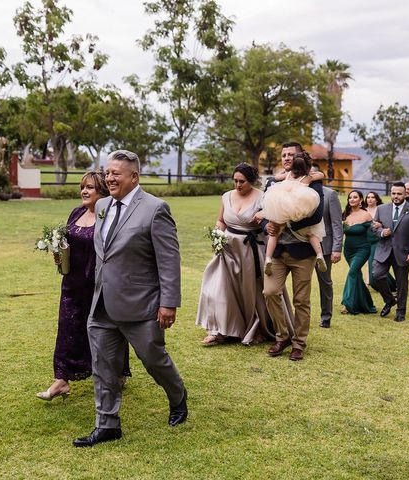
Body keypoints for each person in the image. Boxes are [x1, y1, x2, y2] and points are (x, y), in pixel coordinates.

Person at [73, 150, 187, 448]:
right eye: (107, 172)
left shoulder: (155, 209)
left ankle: (177, 396)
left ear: (133, 177)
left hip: (142, 304)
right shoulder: (102, 207)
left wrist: (168, 303)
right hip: (102, 305)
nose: (109, 178)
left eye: (116, 174)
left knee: (154, 360)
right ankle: (107, 425)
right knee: (103, 366)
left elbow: (169, 260)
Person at [36, 172, 131, 401]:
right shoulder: (76, 212)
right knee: (68, 329)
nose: (84, 191)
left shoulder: (108, 216)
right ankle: (61, 380)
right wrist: (59, 255)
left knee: (107, 331)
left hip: (98, 285)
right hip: (72, 284)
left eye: (90, 187)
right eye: (82, 187)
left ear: (102, 192)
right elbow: (68, 244)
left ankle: (117, 372)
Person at [196, 163, 292, 344]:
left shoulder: (263, 197)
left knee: (252, 292)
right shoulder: (226, 196)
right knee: (220, 287)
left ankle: (257, 328)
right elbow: (220, 220)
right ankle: (220, 330)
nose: (238, 185)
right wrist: (217, 235)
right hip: (227, 248)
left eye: (242, 182)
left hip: (252, 249)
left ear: (252, 181)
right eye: (235, 181)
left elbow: (270, 223)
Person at [262, 142, 324, 361]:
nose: (287, 158)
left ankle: (299, 343)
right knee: (269, 292)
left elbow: (316, 216)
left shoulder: (312, 181)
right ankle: (282, 336)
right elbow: (265, 209)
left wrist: (285, 220)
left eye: (291, 155)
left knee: (301, 300)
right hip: (277, 250)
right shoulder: (273, 182)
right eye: (284, 155)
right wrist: (268, 226)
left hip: (302, 251)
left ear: (299, 158)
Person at [263, 154, 327, 275]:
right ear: (307, 167)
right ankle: (319, 254)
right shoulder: (307, 177)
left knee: (274, 233)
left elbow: (276, 177)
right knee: (311, 233)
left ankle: (268, 258)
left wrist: (285, 171)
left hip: (283, 205)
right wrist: (312, 172)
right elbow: (321, 175)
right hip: (298, 206)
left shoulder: (287, 175)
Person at [371, 182, 409, 322]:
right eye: (393, 193)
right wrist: (382, 232)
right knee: (376, 275)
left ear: (405, 194)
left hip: (403, 253)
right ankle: (389, 300)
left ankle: (401, 312)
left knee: (402, 283)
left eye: (399, 194)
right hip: (384, 250)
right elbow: (374, 227)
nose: (396, 196)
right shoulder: (381, 209)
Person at [311, 164, 343, 328]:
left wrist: (337, 248)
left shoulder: (330, 194)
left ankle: (326, 316)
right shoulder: (300, 194)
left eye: (312, 172)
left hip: (325, 246)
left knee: (325, 282)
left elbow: (337, 223)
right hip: (303, 246)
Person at [340, 190, 377, 315]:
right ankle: (366, 304)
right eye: (350, 197)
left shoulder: (366, 215)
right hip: (348, 250)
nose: (352, 199)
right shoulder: (345, 215)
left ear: (361, 200)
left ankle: (347, 303)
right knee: (356, 275)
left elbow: (374, 232)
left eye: (355, 197)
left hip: (362, 249)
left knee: (352, 273)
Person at [364, 191, 396, 292]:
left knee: (373, 265)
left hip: (378, 240)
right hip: (365, 240)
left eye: (372, 197)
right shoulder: (363, 210)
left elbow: (389, 225)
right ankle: (393, 284)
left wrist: (381, 225)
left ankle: (390, 285)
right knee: (376, 266)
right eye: (368, 197)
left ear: (376, 199)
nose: (370, 199)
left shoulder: (382, 209)